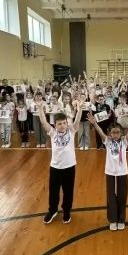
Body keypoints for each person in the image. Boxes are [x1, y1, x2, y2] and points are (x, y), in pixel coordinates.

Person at [88, 112, 128, 231]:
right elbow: (100, 133)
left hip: (122, 172)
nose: (115, 134)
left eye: (117, 132)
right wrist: (94, 123)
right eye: (113, 132)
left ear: (121, 133)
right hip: (110, 172)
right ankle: (113, 219)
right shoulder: (107, 141)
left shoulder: (124, 141)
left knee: (122, 196)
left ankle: (121, 219)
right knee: (111, 196)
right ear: (109, 133)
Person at [38, 95, 85, 225]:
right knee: (53, 191)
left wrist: (80, 109)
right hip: (55, 167)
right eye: (59, 124)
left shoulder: (71, 131)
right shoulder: (52, 132)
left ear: (67, 123)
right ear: (55, 125)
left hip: (69, 167)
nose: (62, 126)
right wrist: (40, 108)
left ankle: (66, 211)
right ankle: (53, 210)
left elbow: (77, 120)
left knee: (68, 191)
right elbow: (43, 122)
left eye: (64, 123)